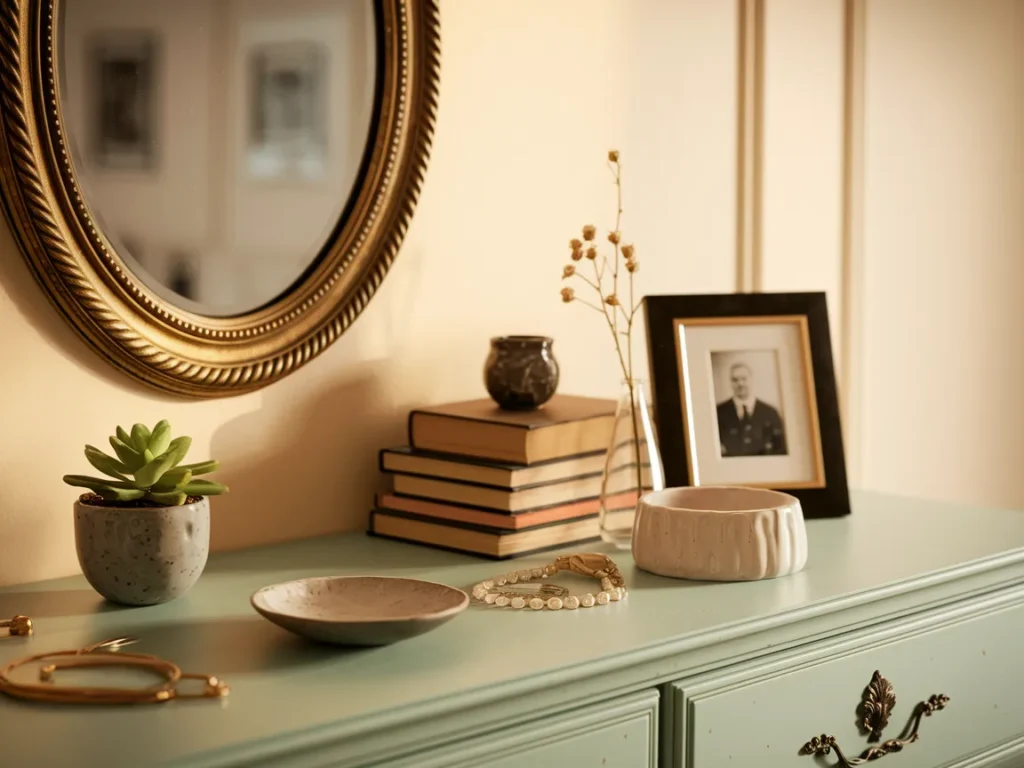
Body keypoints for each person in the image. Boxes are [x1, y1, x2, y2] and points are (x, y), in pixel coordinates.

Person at [715, 362, 787, 456]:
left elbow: (781, 449)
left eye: (744, 379)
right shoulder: (718, 412)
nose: (740, 384)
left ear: (751, 380)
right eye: (735, 380)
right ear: (730, 383)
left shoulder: (770, 412)